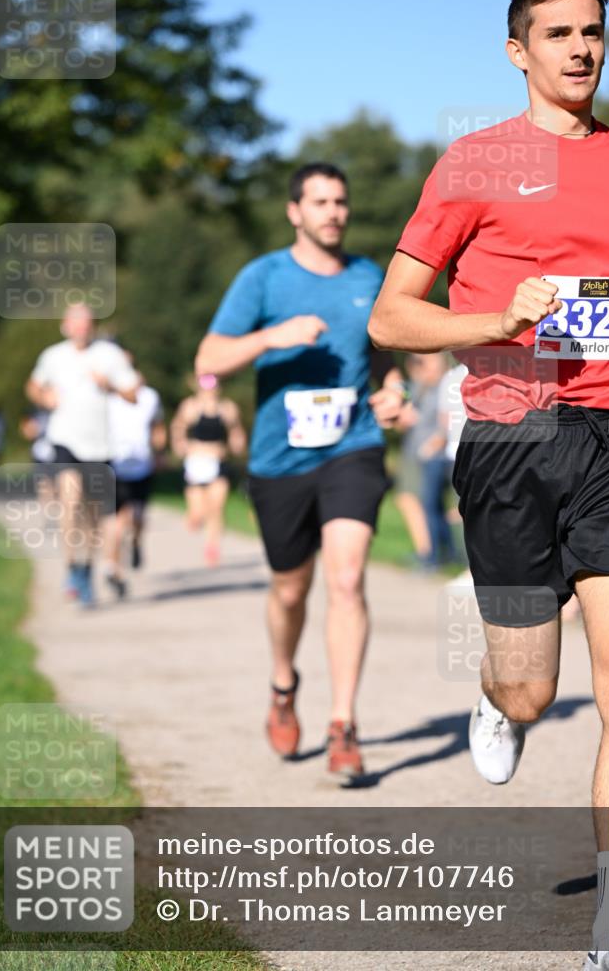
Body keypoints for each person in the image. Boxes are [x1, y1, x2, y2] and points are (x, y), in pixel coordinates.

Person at [368, 0, 609, 966]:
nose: (579, 48)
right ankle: (495, 692)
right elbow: (392, 315)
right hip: (513, 441)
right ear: (516, 51)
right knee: (532, 690)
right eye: (556, 33)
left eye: (592, 32)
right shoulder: (476, 163)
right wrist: (496, 320)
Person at [195, 162, 405, 781]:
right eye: (319, 202)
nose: (333, 212)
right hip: (278, 458)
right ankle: (284, 684)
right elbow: (208, 359)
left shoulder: (369, 277)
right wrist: (270, 337)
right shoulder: (262, 277)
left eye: (340, 201)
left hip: (352, 448)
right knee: (291, 588)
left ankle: (344, 723)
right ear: (295, 212)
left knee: (346, 579)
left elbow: (384, 356)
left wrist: (392, 393)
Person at [25, 303, 139, 605]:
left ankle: (85, 569)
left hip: (99, 445)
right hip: (65, 439)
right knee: (70, 501)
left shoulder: (109, 356)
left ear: (92, 326)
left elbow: (133, 394)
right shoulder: (53, 355)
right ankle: (71, 566)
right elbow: (33, 387)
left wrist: (110, 385)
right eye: (75, 323)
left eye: (86, 323)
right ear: (65, 326)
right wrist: (44, 396)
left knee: (91, 516)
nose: (80, 328)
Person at [106, 352, 167, 596]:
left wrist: (160, 451)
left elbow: (158, 426)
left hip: (142, 465)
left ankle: (136, 542)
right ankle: (114, 569)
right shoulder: (106, 398)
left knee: (138, 517)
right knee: (117, 519)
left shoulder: (150, 397)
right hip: (114, 464)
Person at [170, 372, 246, 567]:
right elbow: (178, 427)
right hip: (196, 463)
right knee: (198, 513)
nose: (210, 388)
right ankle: (195, 518)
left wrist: (238, 443)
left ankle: (212, 546)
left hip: (218, 462)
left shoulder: (227, 408)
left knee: (216, 507)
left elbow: (236, 431)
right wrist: (180, 444)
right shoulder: (190, 407)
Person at [396, 353, 458, 569]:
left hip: (436, 457)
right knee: (434, 507)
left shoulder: (446, 386)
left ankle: (431, 558)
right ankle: (447, 553)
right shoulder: (419, 387)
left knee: (431, 506)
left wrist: (431, 447)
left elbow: (446, 424)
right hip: (418, 455)